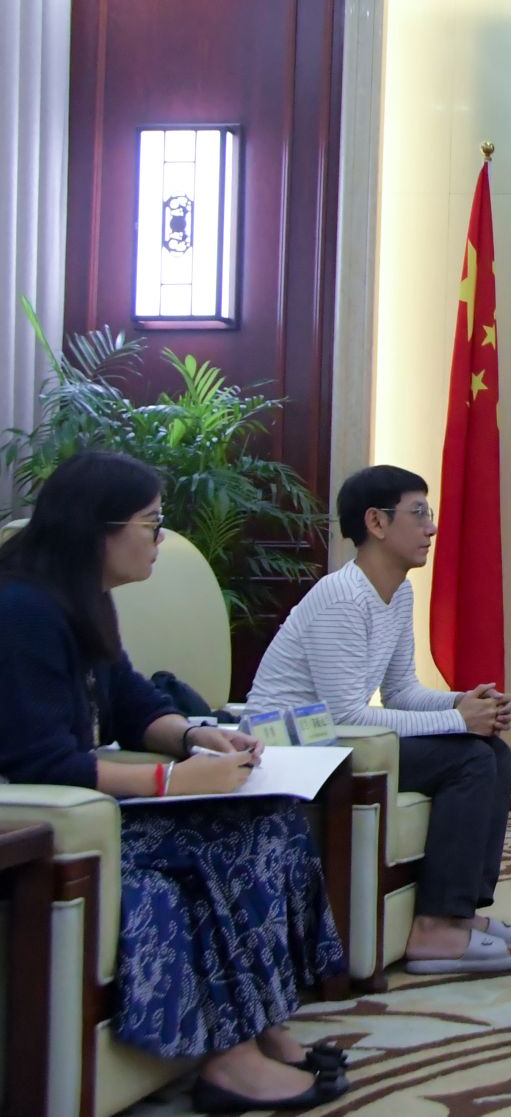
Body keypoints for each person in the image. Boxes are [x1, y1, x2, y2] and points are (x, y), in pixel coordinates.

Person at [0, 451, 348, 1113]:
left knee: (272, 815)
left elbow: (132, 701)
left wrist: (196, 737)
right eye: (151, 524)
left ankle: (265, 1020)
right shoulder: (20, 610)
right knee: (233, 839)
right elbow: (41, 763)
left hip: (96, 810)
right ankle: (232, 1060)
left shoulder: (82, 595)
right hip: (45, 828)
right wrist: (173, 779)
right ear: (98, 528)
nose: (159, 539)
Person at [247, 465, 511, 975]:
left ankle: (458, 912)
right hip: (293, 748)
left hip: (341, 740)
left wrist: (464, 703)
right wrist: (459, 723)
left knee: (494, 751)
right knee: (469, 759)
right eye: (418, 513)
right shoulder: (342, 597)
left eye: (430, 513)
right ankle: (434, 928)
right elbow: (344, 716)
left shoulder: (398, 592)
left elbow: (400, 691)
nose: (431, 527)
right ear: (376, 522)